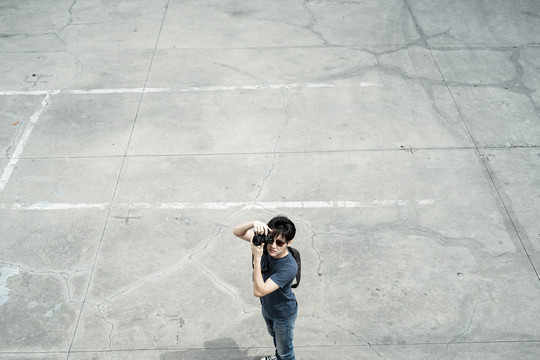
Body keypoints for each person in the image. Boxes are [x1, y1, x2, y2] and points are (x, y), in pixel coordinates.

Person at [233, 216, 298, 360]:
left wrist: (257, 257)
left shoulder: (289, 267)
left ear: (289, 242)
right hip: (268, 307)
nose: (273, 246)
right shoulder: (265, 245)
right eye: (271, 240)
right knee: (277, 340)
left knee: (286, 351)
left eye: (280, 242)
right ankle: (277, 357)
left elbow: (259, 291)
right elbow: (237, 232)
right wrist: (252, 223)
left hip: (283, 314)